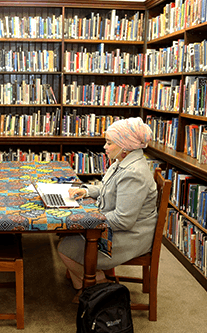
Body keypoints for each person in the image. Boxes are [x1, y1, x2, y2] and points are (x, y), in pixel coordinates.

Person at [57, 117, 158, 299]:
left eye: (109, 143)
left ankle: (99, 286)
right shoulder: (123, 161)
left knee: (66, 248)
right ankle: (89, 285)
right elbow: (107, 188)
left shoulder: (133, 174)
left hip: (130, 236)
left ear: (125, 145)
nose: (105, 147)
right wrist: (85, 191)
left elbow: (123, 220)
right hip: (122, 228)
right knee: (68, 236)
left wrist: (88, 220)